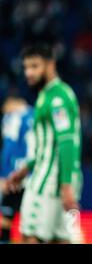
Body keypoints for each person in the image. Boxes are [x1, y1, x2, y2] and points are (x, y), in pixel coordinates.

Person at [6, 45, 82, 243]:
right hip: (57, 178)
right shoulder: (49, 95)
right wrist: (25, 169)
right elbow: (48, 146)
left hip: (48, 181)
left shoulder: (56, 98)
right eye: (26, 67)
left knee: (30, 238)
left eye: (34, 66)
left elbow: (66, 142)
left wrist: (66, 186)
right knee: (60, 240)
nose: (28, 73)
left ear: (50, 65)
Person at [0, 96, 34, 244]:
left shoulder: (12, 117)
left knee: (7, 218)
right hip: (34, 175)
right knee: (31, 223)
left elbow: (9, 146)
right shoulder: (36, 114)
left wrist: (4, 175)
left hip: (14, 175)